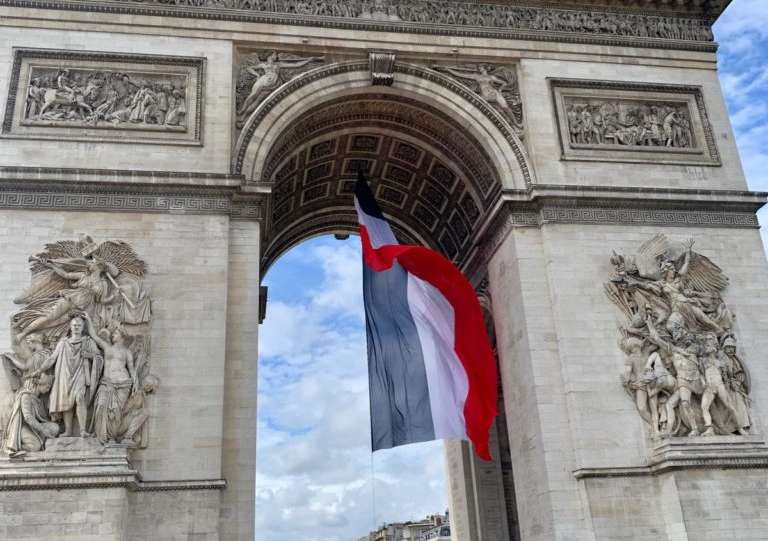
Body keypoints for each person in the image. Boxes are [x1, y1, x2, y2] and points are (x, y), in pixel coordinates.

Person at [31, 315, 103, 438]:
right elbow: (52, 358)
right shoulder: (63, 343)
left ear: (82, 327)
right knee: (66, 402)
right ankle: (68, 431)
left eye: (79, 325)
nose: (76, 327)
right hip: (65, 374)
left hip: (80, 372)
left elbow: (99, 357)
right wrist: (39, 370)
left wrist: (90, 356)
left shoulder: (88, 341)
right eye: (74, 325)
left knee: (79, 397)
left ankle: (83, 431)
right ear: (70, 326)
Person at [85, 314, 136, 444]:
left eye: (116, 334)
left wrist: (136, 383)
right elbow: (94, 336)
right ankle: (101, 437)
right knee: (101, 406)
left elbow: (131, 370)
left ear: (122, 337)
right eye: (113, 334)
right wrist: (88, 319)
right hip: (107, 382)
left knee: (116, 412)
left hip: (123, 383)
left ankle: (112, 438)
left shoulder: (127, 352)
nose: (113, 335)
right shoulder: (107, 347)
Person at [2, 374, 59, 457]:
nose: (48, 390)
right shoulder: (26, 396)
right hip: (23, 427)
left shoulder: (38, 400)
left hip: (34, 427)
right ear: (39, 385)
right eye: (47, 387)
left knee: (55, 427)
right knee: (35, 446)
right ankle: (15, 447)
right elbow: (28, 418)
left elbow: (41, 418)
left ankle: (41, 440)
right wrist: (43, 429)